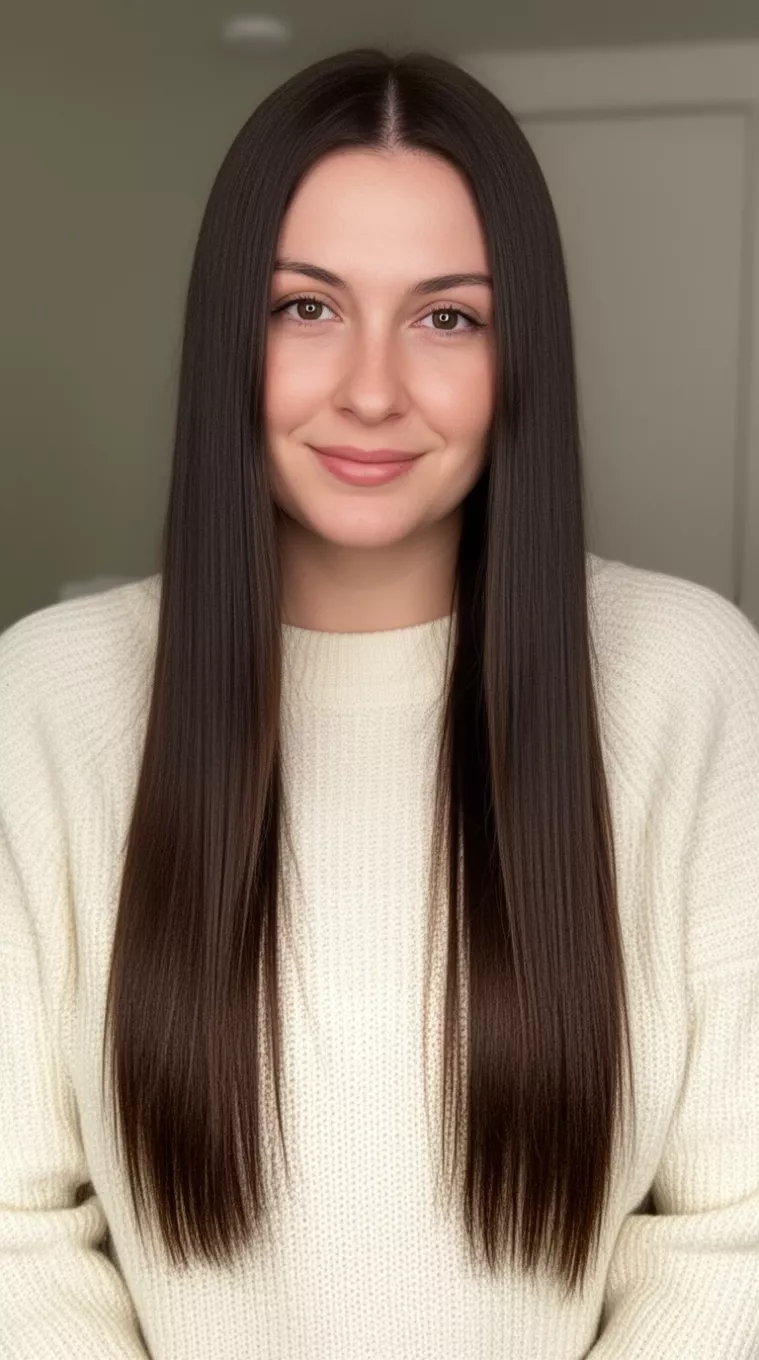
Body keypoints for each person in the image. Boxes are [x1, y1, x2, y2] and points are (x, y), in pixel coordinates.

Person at [1, 45, 757, 1360]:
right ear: (230, 330)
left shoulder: (689, 679)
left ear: (519, 355)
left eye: (444, 317)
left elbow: (730, 1226)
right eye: (306, 308)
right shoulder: (45, 701)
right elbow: (16, 1227)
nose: (369, 387)